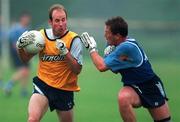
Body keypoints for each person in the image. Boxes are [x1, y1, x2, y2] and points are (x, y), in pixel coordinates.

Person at [80, 16, 171, 122]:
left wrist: (91, 48)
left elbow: (101, 66)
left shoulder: (127, 47)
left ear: (117, 35)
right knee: (123, 98)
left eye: (107, 32)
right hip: (133, 86)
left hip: (150, 86)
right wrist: (109, 55)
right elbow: (114, 70)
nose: (105, 35)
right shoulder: (115, 45)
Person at [16, 4, 83, 122]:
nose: (61, 24)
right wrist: (20, 47)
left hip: (64, 89)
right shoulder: (41, 37)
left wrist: (65, 52)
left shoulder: (74, 39)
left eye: (63, 20)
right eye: (57, 20)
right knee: (32, 119)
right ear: (50, 22)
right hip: (43, 85)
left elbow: (77, 70)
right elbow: (25, 60)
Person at [3, 11, 32, 97]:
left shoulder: (27, 29)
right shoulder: (17, 29)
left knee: (26, 71)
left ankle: (23, 91)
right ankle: (9, 85)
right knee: (23, 71)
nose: (27, 20)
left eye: (28, 18)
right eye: (26, 18)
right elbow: (14, 42)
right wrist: (19, 52)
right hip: (17, 53)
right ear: (22, 18)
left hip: (25, 53)